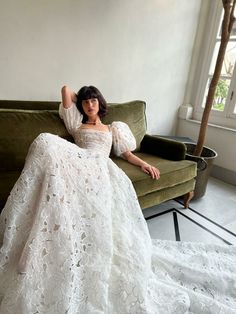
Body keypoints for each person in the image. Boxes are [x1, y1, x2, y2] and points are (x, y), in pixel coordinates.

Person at [0, 85, 235, 314]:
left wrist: (144, 164)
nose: (89, 104)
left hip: (100, 167)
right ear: (81, 106)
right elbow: (65, 90)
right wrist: (81, 97)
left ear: (101, 104)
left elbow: (127, 154)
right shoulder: (76, 124)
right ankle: (39, 243)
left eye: (94, 100)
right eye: (85, 101)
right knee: (45, 140)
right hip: (77, 160)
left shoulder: (113, 128)